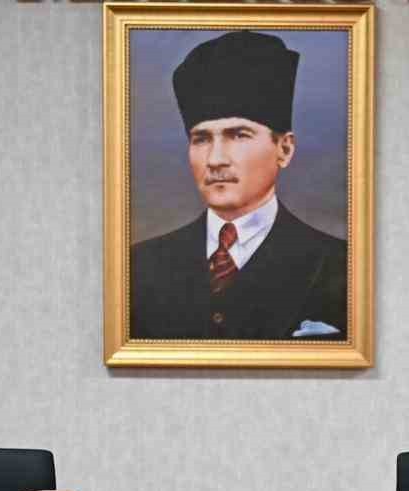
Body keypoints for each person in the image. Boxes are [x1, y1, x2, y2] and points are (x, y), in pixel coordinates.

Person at [130, 30, 348, 341]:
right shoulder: (138, 267)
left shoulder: (342, 266)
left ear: (284, 149)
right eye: (201, 139)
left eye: (238, 135)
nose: (215, 159)